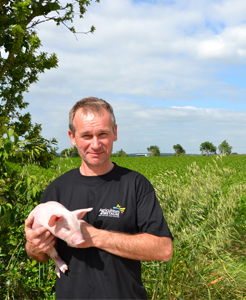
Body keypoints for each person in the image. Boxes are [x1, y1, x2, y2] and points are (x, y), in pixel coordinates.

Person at [25, 97, 173, 299]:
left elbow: (163, 249)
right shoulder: (56, 191)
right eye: (86, 135)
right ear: (72, 137)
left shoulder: (136, 184)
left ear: (115, 133)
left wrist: (95, 237)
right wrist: (34, 245)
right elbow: (40, 255)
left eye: (103, 134)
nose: (95, 145)